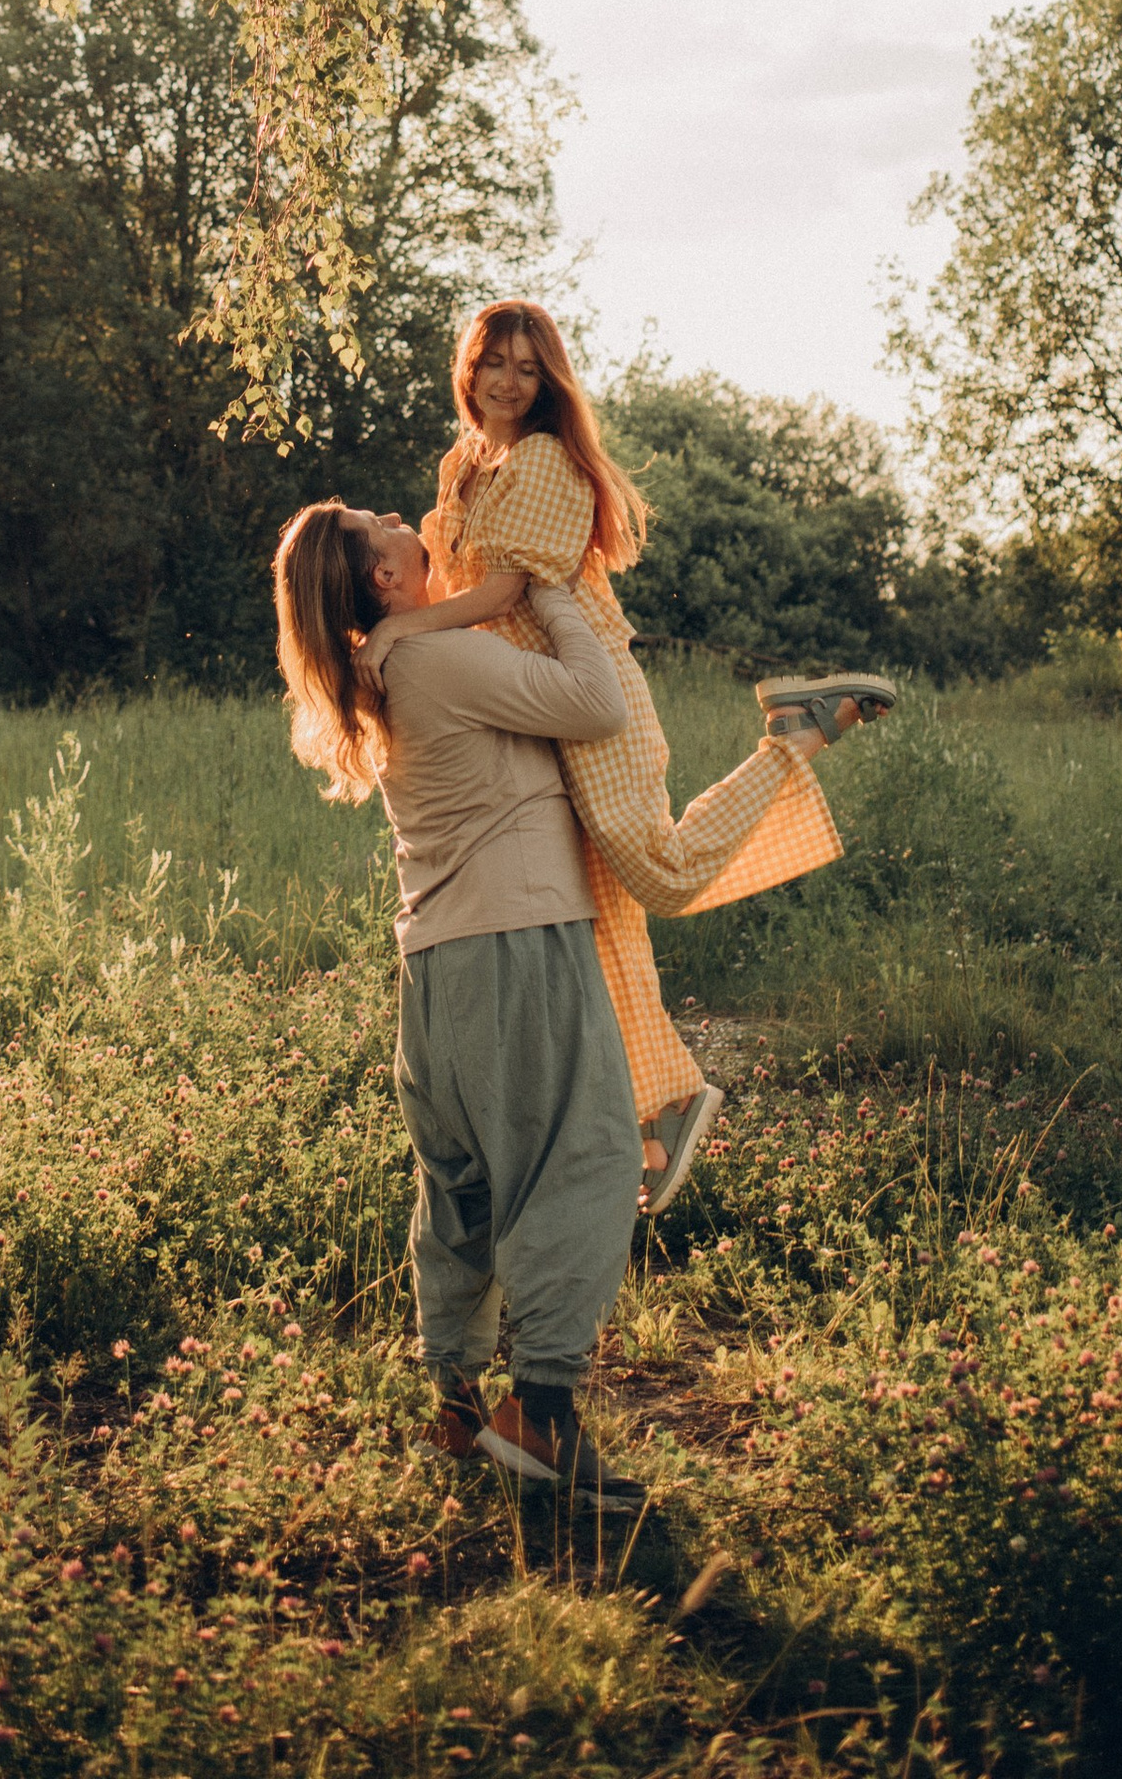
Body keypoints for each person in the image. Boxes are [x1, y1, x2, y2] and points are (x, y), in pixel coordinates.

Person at [360, 301, 891, 1212]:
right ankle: (656, 1114)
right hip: (529, 709)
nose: (510, 382)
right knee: (597, 924)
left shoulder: (542, 462)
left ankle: (795, 735)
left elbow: (501, 590)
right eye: (496, 362)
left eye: (530, 368)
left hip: (589, 695)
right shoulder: (462, 468)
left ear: (550, 381)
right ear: (469, 365)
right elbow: (453, 590)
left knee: (664, 874)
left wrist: (399, 632)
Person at [271, 493, 650, 1502]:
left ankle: (457, 1409)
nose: (396, 511)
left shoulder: (387, 660)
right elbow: (595, 702)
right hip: (515, 941)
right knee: (586, 1156)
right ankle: (544, 1408)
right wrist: (557, 588)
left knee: (465, 1188)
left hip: (437, 965)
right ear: (387, 577)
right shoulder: (433, 659)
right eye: (371, 518)